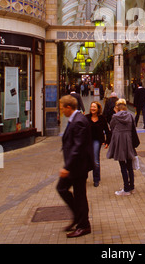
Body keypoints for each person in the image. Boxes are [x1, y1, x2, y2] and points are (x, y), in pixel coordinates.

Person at [56, 95, 94, 238]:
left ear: (69, 108)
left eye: (62, 108)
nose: (61, 111)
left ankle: (83, 224)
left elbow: (78, 147)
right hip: (75, 165)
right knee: (65, 189)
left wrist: (67, 167)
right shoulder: (75, 120)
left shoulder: (78, 121)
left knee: (79, 195)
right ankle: (78, 217)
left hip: (78, 166)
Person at [107, 98, 140, 196]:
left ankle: (126, 189)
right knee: (129, 166)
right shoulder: (130, 116)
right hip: (129, 142)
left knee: (122, 166)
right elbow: (133, 128)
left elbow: (111, 127)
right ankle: (132, 187)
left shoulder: (115, 117)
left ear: (117, 108)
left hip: (119, 143)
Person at [86, 101, 111, 187]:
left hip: (97, 141)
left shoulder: (102, 118)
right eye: (91, 107)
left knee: (95, 159)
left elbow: (107, 131)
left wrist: (107, 141)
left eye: (94, 107)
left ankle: (96, 179)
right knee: (86, 159)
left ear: (98, 109)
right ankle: (84, 176)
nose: (92, 108)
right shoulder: (86, 118)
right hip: (87, 141)